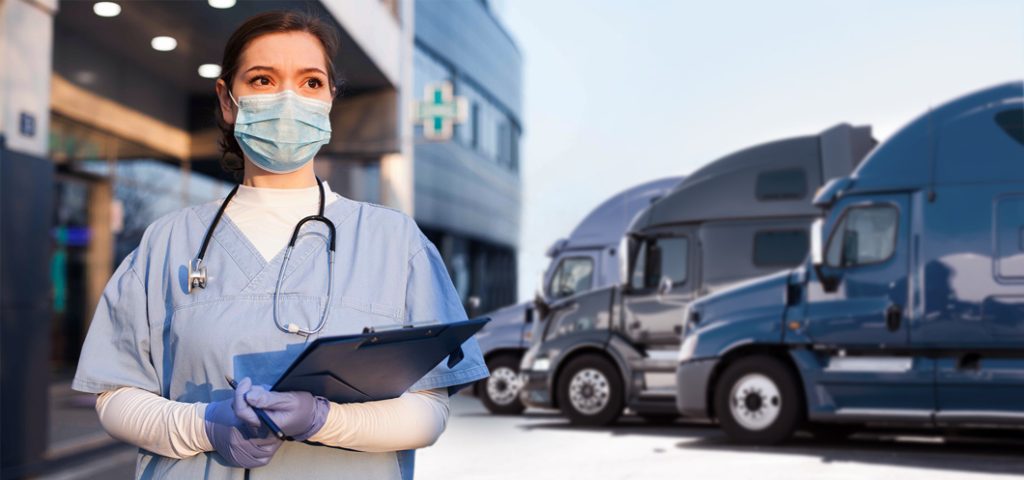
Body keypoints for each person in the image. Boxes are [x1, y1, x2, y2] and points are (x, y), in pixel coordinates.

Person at [72, 11, 488, 480]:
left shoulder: (395, 242)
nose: (288, 99)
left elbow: (429, 411)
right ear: (227, 101)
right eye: (263, 80)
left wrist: (323, 420)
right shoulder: (167, 242)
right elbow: (116, 396)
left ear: (329, 100)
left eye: (310, 83)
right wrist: (205, 426)